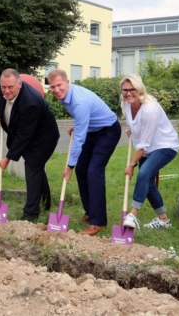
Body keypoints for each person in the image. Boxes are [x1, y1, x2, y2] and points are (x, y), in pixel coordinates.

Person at [47, 69, 121, 236]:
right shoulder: (67, 96)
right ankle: (90, 211)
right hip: (92, 130)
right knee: (83, 169)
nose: (56, 90)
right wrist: (81, 124)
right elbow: (82, 120)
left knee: (94, 171)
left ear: (67, 82)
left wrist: (69, 166)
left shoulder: (80, 101)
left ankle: (98, 222)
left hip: (108, 132)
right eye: (52, 87)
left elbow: (79, 139)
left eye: (59, 85)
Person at [117, 74, 179, 230]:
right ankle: (164, 220)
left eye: (132, 89)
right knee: (148, 182)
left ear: (140, 90)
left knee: (143, 174)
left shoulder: (150, 109)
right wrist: (131, 130)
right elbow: (139, 128)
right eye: (125, 90)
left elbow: (144, 144)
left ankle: (132, 215)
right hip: (148, 148)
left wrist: (132, 164)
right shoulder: (127, 105)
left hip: (165, 146)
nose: (128, 93)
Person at [0, 69, 59, 221]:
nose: (6, 91)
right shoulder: (6, 91)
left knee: (32, 168)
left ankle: (30, 213)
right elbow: (10, 111)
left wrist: (8, 158)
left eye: (10, 87)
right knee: (36, 169)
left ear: (19, 84)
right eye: (3, 87)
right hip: (29, 132)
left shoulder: (30, 102)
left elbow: (24, 135)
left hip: (44, 137)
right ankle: (45, 202)